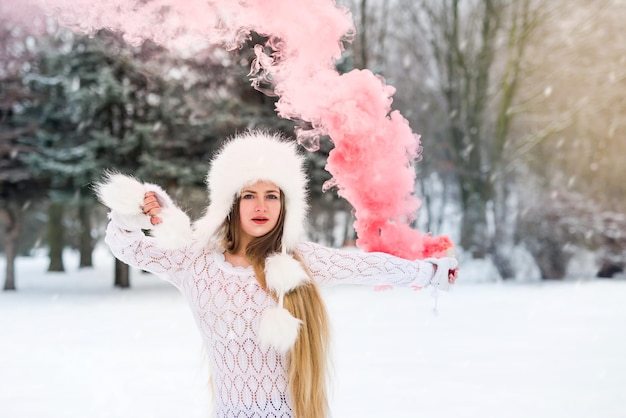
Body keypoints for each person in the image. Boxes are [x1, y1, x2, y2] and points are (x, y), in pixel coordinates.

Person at [96, 130, 459, 418]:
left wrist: (430, 272)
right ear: (231, 203)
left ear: (285, 204)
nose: (261, 206)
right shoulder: (195, 261)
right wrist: (139, 208)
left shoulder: (300, 260)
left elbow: (367, 265)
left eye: (272, 195)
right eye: (249, 195)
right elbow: (125, 245)